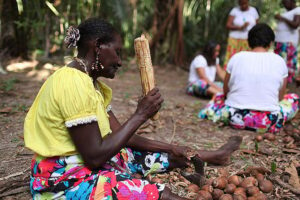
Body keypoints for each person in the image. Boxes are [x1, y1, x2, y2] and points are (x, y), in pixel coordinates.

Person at [24, 18, 242, 200]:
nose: (119, 61)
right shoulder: (73, 83)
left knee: (154, 156)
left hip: (85, 162)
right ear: (98, 45)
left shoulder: (91, 84)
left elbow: (123, 136)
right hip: (61, 180)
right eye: (117, 52)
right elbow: (94, 157)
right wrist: (140, 114)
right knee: (157, 193)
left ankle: (213, 156)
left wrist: (171, 147)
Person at [199, 23, 299, 133]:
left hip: (234, 117)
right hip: (268, 121)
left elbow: (226, 92)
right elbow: (279, 98)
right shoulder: (279, 61)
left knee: (218, 97)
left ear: (248, 41)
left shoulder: (236, 57)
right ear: (270, 43)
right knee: (294, 98)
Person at [224, 0, 259, 69]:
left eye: (245, 3)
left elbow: (257, 27)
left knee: (246, 60)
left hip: (248, 40)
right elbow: (228, 25)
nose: (243, 6)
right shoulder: (234, 11)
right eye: (241, 4)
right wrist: (240, 27)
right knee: (232, 59)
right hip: (234, 40)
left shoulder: (253, 11)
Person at [274, 0, 300, 83]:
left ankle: (287, 84)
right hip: (280, 42)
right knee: (279, 64)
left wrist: (282, 18)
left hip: (288, 42)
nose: (284, 5)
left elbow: (295, 25)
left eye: (286, 2)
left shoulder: (297, 10)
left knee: (287, 65)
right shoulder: (286, 11)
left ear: (292, 1)